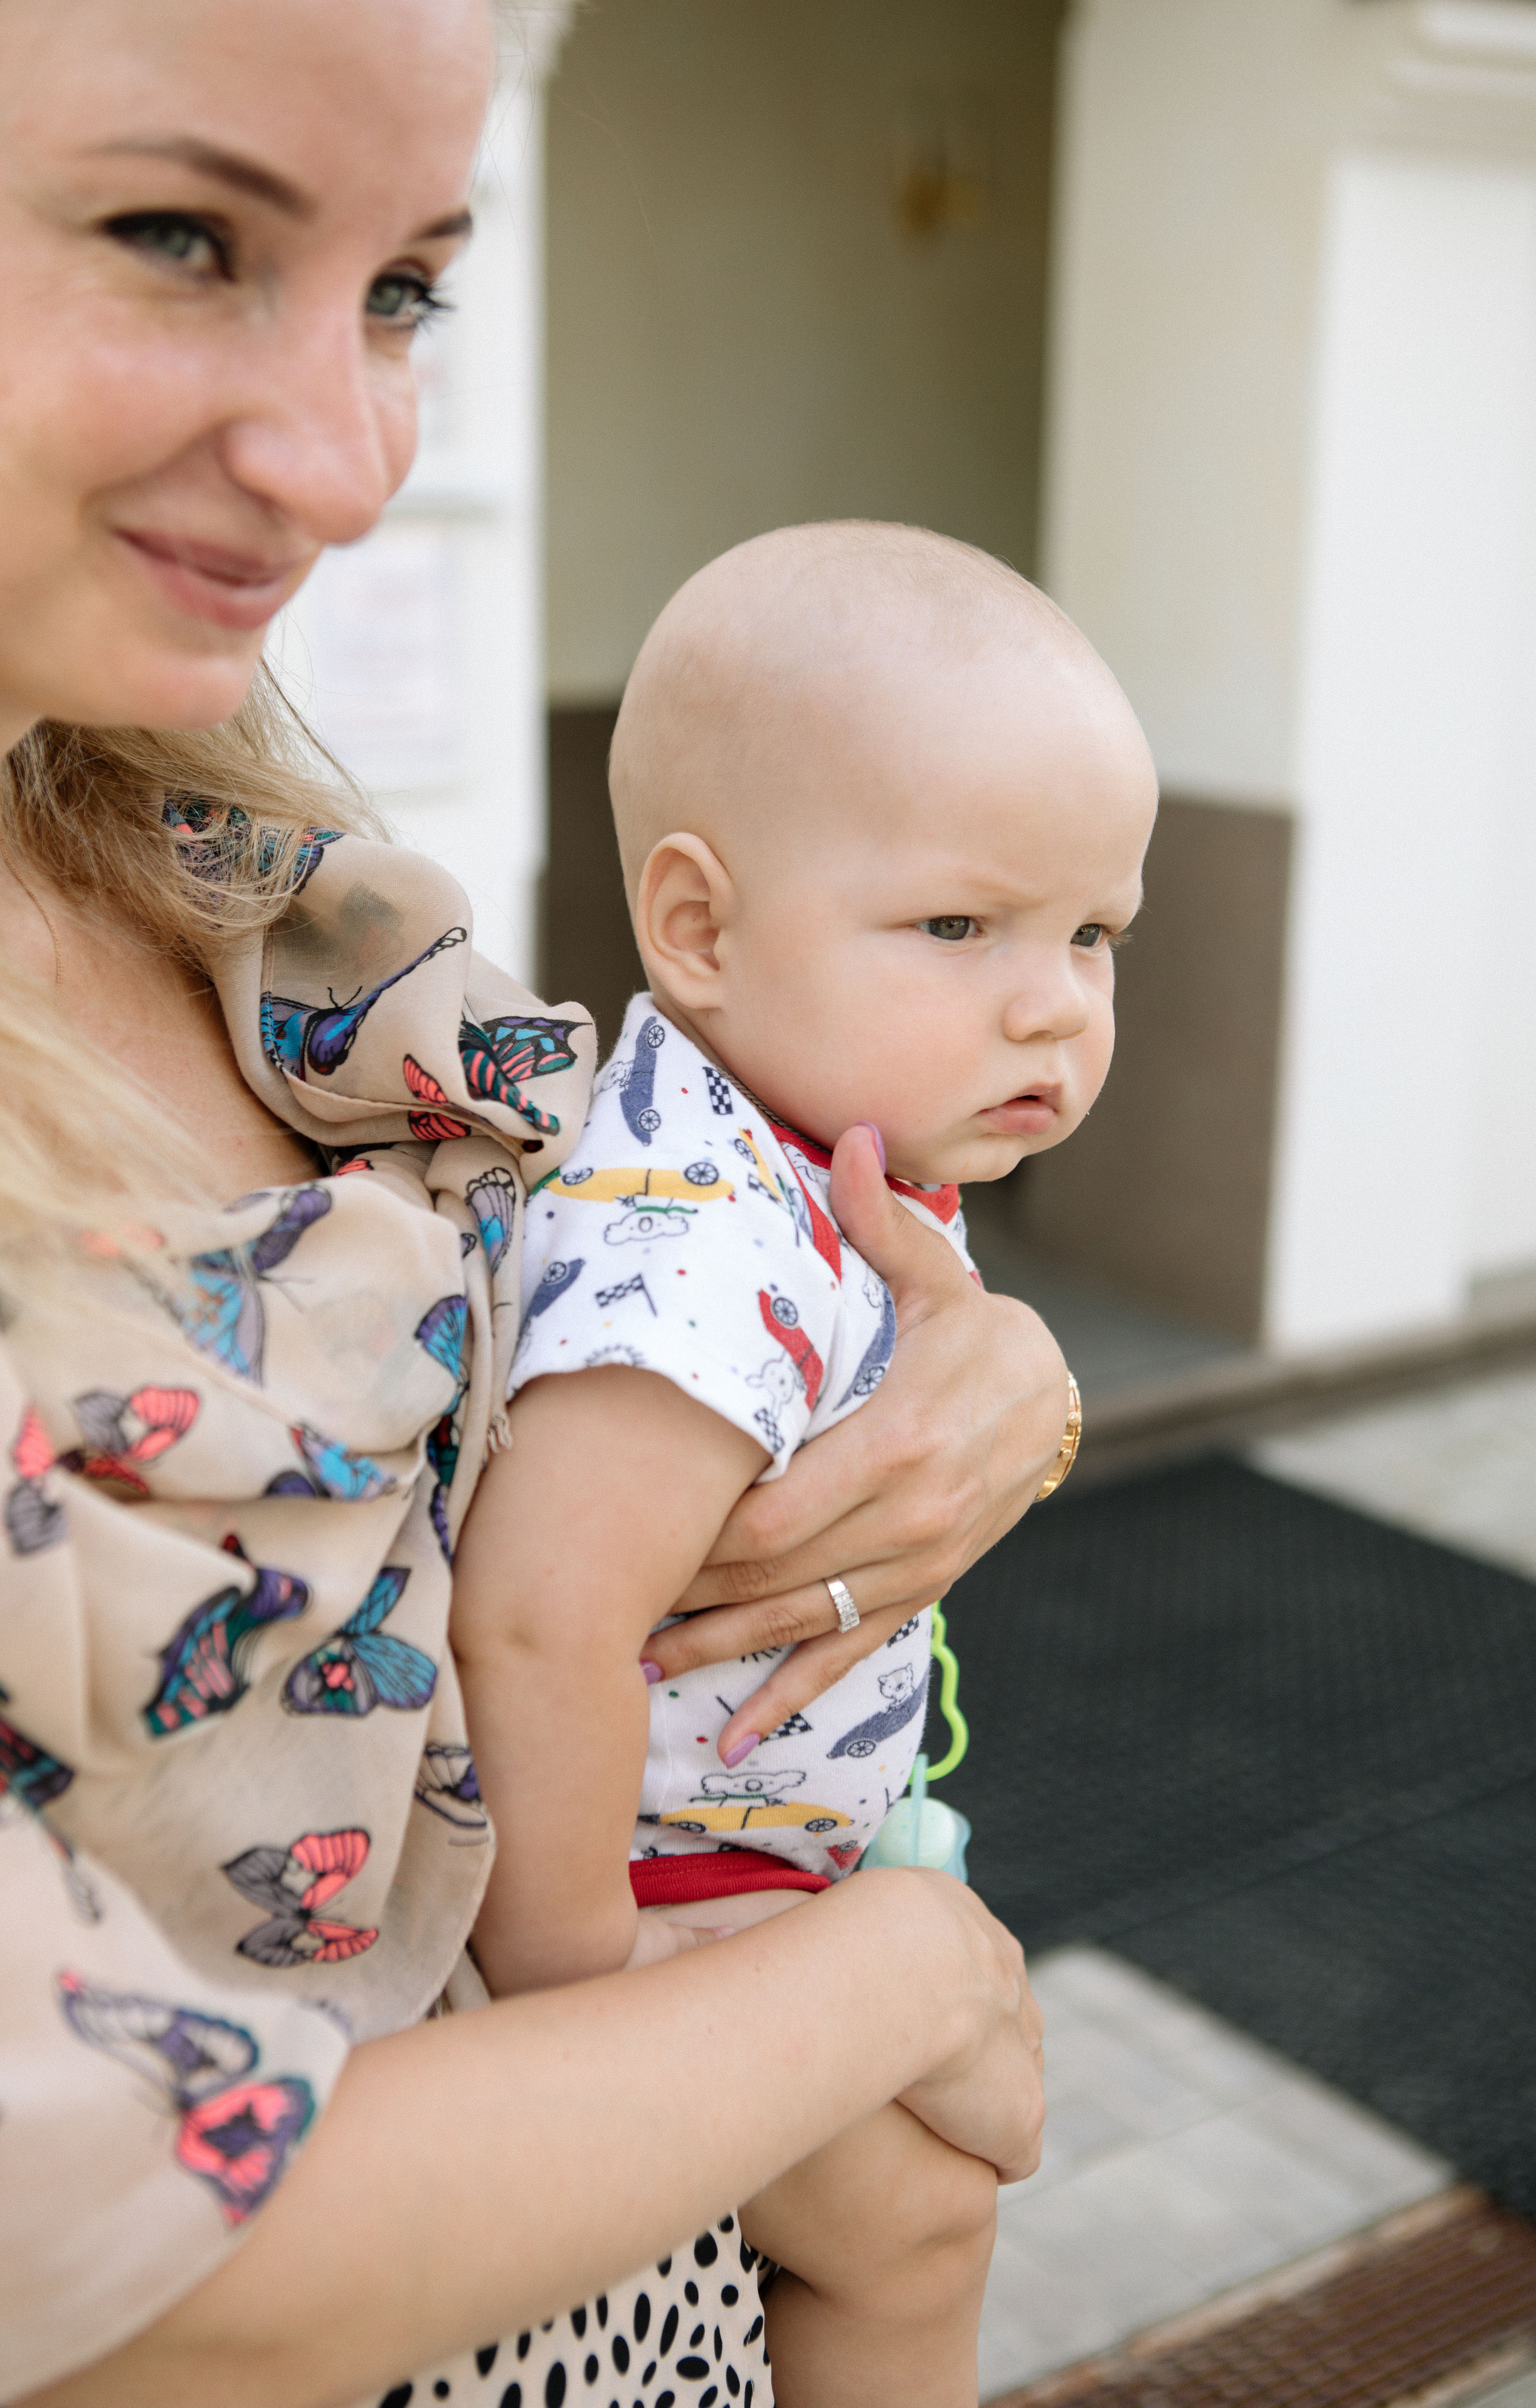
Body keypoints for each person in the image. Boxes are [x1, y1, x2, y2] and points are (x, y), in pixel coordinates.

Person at [0, 4, 1069, 2405]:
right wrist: (902, 1972)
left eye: (402, 289)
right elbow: (131, 2276)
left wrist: (984, 1368)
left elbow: (656, 1231)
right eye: (181, 235)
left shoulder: (226, 854)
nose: (350, 460)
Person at [455, 523, 1155, 2407]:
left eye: (1093, 933)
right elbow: (536, 1624)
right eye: (962, 928)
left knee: (948, 2178)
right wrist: (578, 1985)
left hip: (759, 1853)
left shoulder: (803, 1158)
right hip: (661, 1892)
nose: (1055, 1003)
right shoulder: (694, 1244)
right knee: (926, 2219)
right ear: (698, 930)